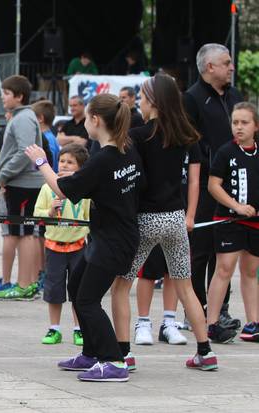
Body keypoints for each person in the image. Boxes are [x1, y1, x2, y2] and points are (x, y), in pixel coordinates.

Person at [25, 93, 144, 382]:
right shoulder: (126, 149)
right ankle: (90, 353)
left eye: (87, 115)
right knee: (77, 287)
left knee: (88, 299)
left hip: (115, 242)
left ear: (95, 120)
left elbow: (63, 189)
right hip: (106, 237)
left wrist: (42, 162)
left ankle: (114, 361)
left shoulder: (105, 158)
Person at [109, 74, 217, 373]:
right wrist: (191, 215)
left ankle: (124, 353)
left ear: (154, 101)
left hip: (145, 219)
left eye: (142, 97)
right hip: (176, 218)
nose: (139, 102)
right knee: (185, 286)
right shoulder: (187, 136)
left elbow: (133, 180)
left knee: (122, 285)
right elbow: (194, 180)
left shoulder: (139, 136)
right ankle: (205, 352)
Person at [184, 43, 243, 331]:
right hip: (206, 184)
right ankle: (193, 309)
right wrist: (219, 162)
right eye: (227, 62)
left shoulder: (235, 96)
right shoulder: (192, 98)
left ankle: (219, 311)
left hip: (234, 186)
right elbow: (191, 141)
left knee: (225, 252)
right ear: (210, 67)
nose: (232, 67)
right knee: (200, 250)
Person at [206, 102, 259, 344]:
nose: (238, 127)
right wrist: (237, 206)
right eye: (235, 122)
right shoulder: (226, 152)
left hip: (255, 222)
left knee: (250, 271)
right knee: (224, 268)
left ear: (255, 126)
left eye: (244, 122)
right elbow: (213, 185)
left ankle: (253, 323)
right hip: (229, 219)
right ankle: (212, 324)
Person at [0, 75, 44, 301]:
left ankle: (24, 285)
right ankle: (28, 284)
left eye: (6, 93)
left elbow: (26, 151)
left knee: (24, 234)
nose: (2, 97)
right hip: (22, 184)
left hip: (22, 184)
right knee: (25, 233)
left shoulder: (23, 118)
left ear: (19, 96)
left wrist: (4, 175)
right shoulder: (23, 116)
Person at [33, 144, 90, 346]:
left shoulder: (84, 191)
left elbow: (88, 218)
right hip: (54, 247)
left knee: (78, 290)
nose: (64, 165)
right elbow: (36, 215)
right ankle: (54, 328)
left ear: (80, 168)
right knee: (54, 290)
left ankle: (79, 329)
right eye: (62, 161)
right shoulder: (47, 188)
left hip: (78, 247)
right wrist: (49, 212)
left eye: (70, 162)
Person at [0, 110, 16, 295]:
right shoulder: (35, 131)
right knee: (29, 234)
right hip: (30, 189)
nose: (5, 114)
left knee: (9, 235)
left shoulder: (6, 131)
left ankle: (6, 279)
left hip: (9, 187)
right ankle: (30, 279)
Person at [32, 100, 60, 172]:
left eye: (32, 117)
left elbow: (50, 164)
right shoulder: (51, 136)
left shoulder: (47, 139)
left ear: (40, 119)